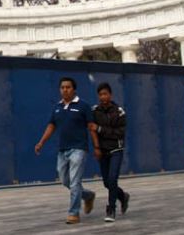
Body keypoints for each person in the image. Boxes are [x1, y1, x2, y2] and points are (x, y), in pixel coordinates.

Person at [35, 77, 97, 225]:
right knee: (65, 180)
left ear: (74, 89)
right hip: (63, 150)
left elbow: (91, 127)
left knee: (75, 181)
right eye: (62, 87)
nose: (65, 90)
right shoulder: (57, 107)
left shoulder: (83, 106)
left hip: (79, 148)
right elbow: (51, 126)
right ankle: (88, 196)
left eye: (68, 87)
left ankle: (73, 213)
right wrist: (41, 142)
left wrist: (97, 146)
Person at [89, 83, 131, 223]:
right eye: (100, 94)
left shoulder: (119, 112)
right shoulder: (94, 111)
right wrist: (96, 147)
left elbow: (120, 133)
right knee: (107, 183)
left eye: (105, 94)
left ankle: (111, 208)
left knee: (113, 179)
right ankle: (122, 196)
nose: (103, 97)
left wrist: (101, 129)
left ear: (110, 95)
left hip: (116, 149)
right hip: (102, 151)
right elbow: (91, 129)